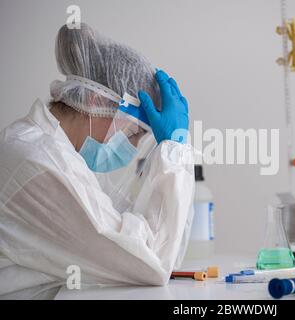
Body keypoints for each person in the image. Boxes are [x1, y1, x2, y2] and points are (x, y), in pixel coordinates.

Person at [0, 23, 194, 299]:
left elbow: (161, 253)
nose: (135, 145)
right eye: (135, 131)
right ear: (96, 100)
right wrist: (174, 151)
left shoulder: (58, 155)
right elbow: (150, 264)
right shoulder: (39, 163)